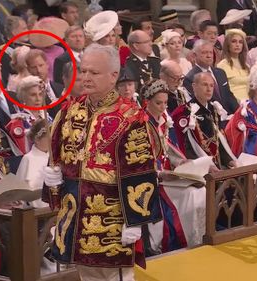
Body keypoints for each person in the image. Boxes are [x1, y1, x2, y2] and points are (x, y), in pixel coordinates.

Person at [42, 43, 162, 281]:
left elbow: (140, 171)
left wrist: (135, 221)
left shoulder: (130, 117)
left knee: (117, 277)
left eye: (93, 73)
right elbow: (57, 156)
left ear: (113, 76)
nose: (85, 77)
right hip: (75, 211)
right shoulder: (69, 110)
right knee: (86, 275)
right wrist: (53, 181)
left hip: (112, 216)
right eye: (83, 71)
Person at [141, 79, 187, 254]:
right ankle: (158, 248)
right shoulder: (142, 124)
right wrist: (160, 174)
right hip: (151, 179)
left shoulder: (164, 120)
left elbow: (168, 147)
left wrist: (181, 161)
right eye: (158, 103)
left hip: (167, 174)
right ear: (147, 102)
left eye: (166, 103)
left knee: (196, 191)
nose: (163, 107)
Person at [172, 72, 237, 170]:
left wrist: (229, 160)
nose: (209, 89)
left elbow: (220, 142)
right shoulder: (183, 112)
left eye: (211, 85)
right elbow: (185, 147)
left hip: (218, 167)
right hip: (197, 167)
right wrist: (204, 166)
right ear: (194, 86)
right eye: (205, 84)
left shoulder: (215, 109)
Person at [184, 40, 239, 117]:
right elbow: (201, 104)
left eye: (210, 52)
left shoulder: (220, 72)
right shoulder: (190, 78)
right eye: (204, 53)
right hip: (212, 118)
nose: (209, 56)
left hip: (230, 117)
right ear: (194, 55)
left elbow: (229, 96)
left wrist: (239, 114)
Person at [16, 119, 50, 208]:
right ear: (37, 140)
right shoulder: (28, 159)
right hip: (35, 212)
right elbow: (19, 190)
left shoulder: (56, 157)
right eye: (48, 138)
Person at [217, 29, 250, 101]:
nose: (237, 45)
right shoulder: (222, 65)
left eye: (240, 42)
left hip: (249, 102)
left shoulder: (246, 66)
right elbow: (222, 91)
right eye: (234, 41)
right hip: (233, 104)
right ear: (228, 44)